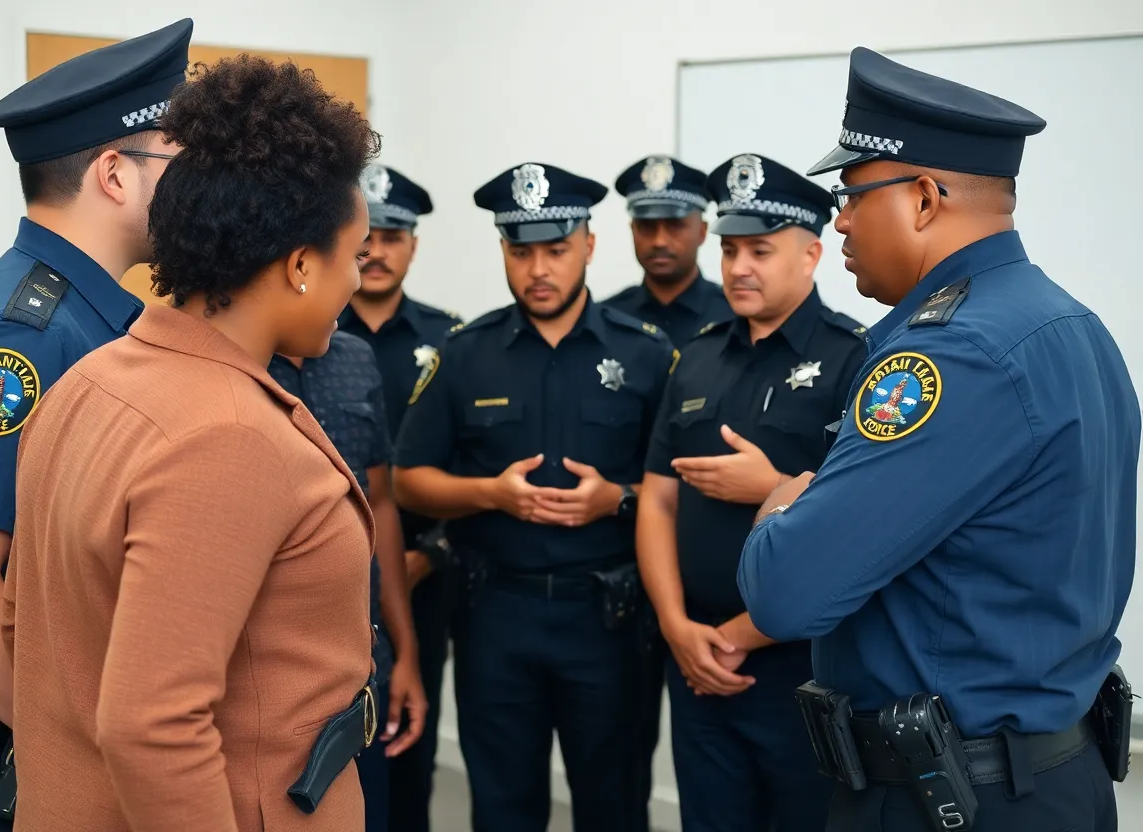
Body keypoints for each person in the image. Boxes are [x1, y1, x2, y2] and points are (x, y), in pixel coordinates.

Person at [737, 47, 1138, 832]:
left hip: (952, 798)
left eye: (852, 194)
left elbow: (786, 593)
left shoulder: (950, 356)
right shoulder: (1070, 326)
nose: (840, 219)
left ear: (923, 199)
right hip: (1050, 776)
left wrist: (778, 507)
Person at [1, 55, 382, 831]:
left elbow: (27, 629)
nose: (358, 280)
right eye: (357, 255)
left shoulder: (92, 378)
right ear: (303, 265)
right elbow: (155, 726)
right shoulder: (230, 436)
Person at [0, 19, 192, 829]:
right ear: (114, 174)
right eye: (180, 164)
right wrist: (69, 742)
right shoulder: (28, 336)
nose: (197, 188)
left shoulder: (88, 315)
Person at [391, 162, 677, 832]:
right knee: (502, 808)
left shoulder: (644, 355)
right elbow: (408, 480)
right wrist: (491, 494)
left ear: (588, 246)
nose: (538, 269)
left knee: (613, 805)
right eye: (521, 252)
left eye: (555, 249)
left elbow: (678, 487)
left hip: (607, 617)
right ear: (503, 253)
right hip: (496, 616)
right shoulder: (465, 352)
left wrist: (618, 500)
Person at [637, 153, 866, 832]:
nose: (738, 267)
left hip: (799, 666)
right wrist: (678, 628)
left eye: (760, 251)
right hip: (696, 656)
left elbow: (859, 529)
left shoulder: (856, 357)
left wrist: (771, 487)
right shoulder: (697, 356)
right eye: (731, 248)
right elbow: (657, 498)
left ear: (811, 254)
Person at [336, 164, 460, 832]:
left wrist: (430, 554)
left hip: (420, 578)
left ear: (412, 245)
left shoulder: (449, 340)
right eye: (367, 235)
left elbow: (470, 465)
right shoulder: (312, 330)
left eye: (393, 235)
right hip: (329, 579)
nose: (376, 250)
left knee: (409, 739)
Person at [268, 330, 428, 832]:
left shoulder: (356, 356)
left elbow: (379, 500)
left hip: (362, 664)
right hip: (273, 675)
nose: (356, 279)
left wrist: (405, 653)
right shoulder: (231, 361)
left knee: (368, 813)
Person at [602, 156, 731, 348]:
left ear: (702, 232)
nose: (659, 241)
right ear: (632, 230)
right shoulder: (606, 320)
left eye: (675, 226)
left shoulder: (734, 315)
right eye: (647, 226)